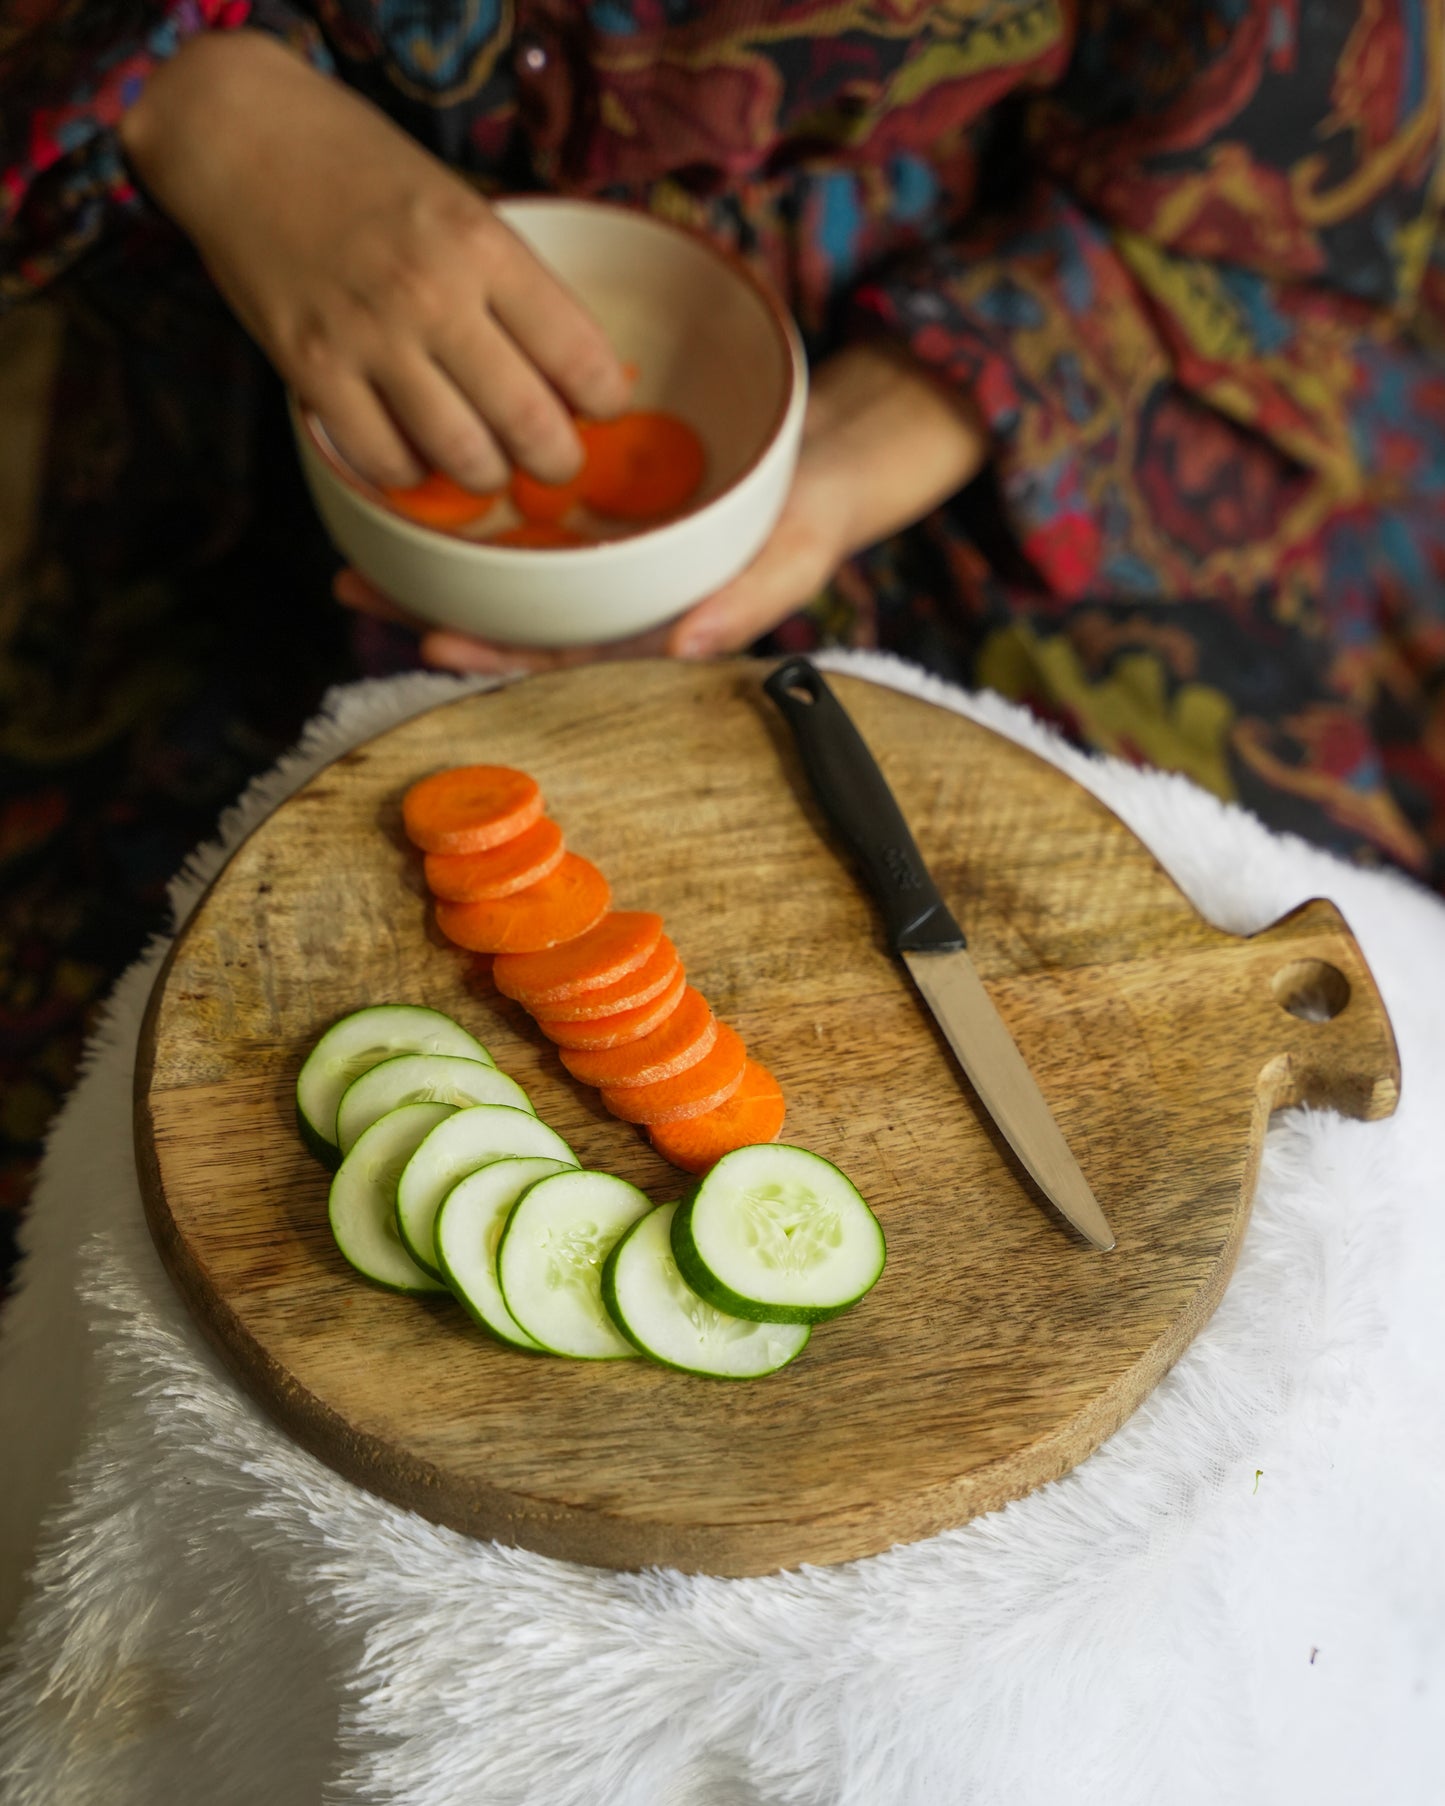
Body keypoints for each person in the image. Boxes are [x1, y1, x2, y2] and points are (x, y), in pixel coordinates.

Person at [1, 0, 1442, 1289]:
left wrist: (877, 446)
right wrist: (197, 104)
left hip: (981, 431)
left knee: (1310, 1199)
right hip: (233, 415)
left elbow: (1300, 128)